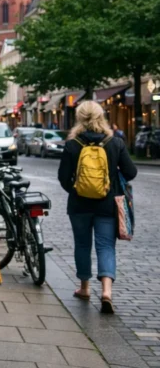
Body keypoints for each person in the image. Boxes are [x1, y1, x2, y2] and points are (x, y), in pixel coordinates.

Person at [58, 101, 136, 313]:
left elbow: (63, 177)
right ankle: (107, 292)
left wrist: (77, 190)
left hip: (79, 205)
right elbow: (131, 172)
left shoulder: (73, 144)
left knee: (82, 245)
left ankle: (84, 288)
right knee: (106, 246)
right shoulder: (115, 142)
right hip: (107, 205)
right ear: (102, 116)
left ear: (79, 117)